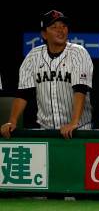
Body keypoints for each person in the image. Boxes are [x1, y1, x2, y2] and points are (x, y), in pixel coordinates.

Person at [1, 10, 93, 139]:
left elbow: (80, 89)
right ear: (44, 34)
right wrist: (13, 121)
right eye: (54, 27)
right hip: (46, 132)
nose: (60, 30)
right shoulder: (33, 56)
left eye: (63, 26)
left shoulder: (78, 52)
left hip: (78, 130)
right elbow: (23, 93)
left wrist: (74, 123)